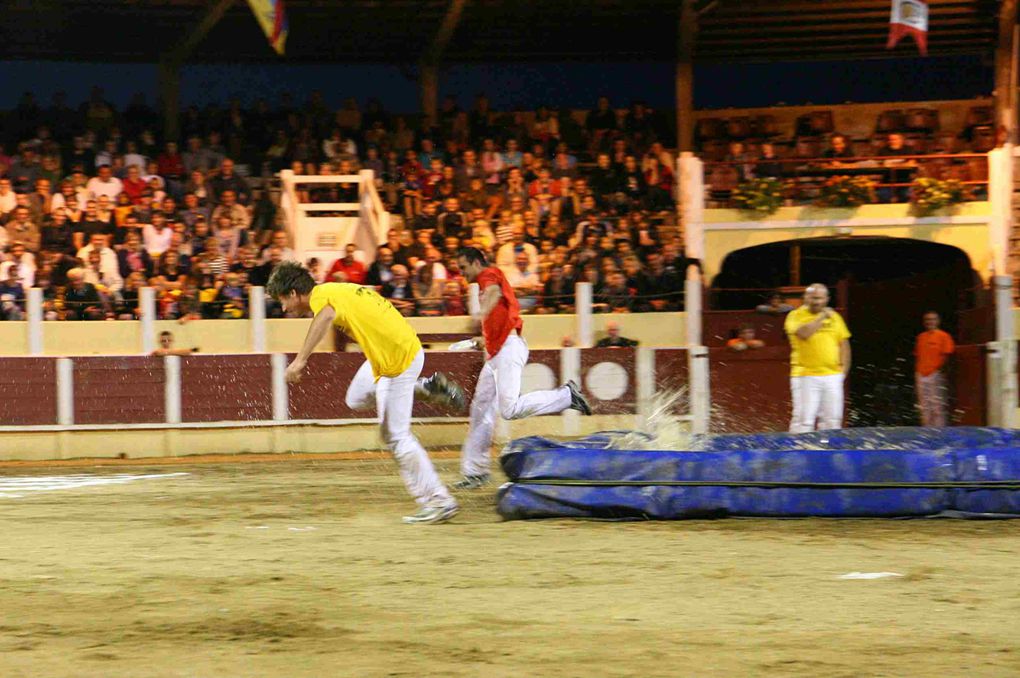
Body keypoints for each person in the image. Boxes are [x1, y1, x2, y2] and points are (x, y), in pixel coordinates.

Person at [268, 262, 464, 524]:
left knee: (395, 436)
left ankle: (439, 501)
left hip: (397, 359)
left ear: (293, 293)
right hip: (389, 354)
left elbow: (325, 316)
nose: (284, 308)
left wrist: (300, 360)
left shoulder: (321, 298)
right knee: (356, 398)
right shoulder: (336, 289)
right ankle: (425, 387)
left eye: (283, 301)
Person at [453, 247, 591, 490]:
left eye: (463, 267)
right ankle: (475, 471)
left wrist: (479, 317)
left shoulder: (489, 275)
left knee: (509, 409)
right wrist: (482, 338)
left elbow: (494, 294)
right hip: (498, 352)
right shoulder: (487, 280)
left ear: (476, 262)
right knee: (480, 409)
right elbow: (500, 317)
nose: (462, 273)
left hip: (507, 350)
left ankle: (566, 396)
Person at [784, 283, 852, 433]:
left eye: (820, 298)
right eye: (813, 298)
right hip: (805, 375)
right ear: (805, 298)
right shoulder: (795, 316)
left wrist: (842, 373)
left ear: (827, 299)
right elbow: (804, 333)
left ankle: (826, 450)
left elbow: (844, 344)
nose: (816, 302)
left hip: (833, 375)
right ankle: (799, 453)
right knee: (804, 420)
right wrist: (822, 316)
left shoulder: (835, 318)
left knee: (832, 420)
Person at [914, 311, 955, 427]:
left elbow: (948, 355)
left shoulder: (944, 336)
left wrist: (940, 372)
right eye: (927, 320)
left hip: (935, 374)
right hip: (921, 374)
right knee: (924, 406)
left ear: (938, 321)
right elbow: (918, 356)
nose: (930, 322)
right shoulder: (920, 337)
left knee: (937, 405)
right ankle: (927, 430)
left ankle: (939, 431)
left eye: (932, 319)